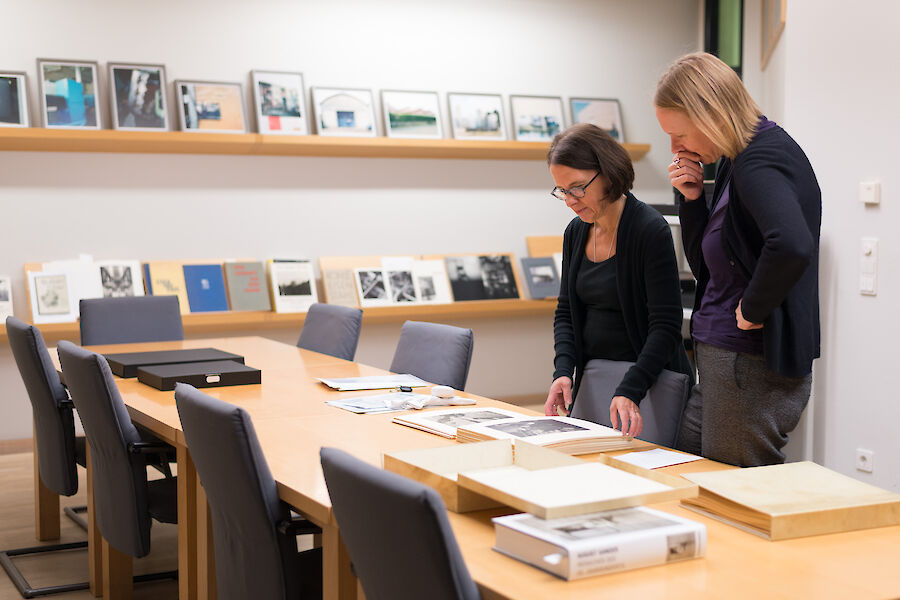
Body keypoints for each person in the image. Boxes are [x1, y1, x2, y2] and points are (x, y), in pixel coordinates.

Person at [654, 52, 821, 467]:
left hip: (745, 359)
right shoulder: (736, 158)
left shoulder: (759, 159)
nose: (674, 149)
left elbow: (792, 244)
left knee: (735, 490)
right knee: (691, 475)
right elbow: (709, 268)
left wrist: (751, 308)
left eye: (679, 135)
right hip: (721, 356)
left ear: (710, 113)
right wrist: (693, 201)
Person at [545, 124, 693, 437]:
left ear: (608, 174)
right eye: (562, 191)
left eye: (578, 188)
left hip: (648, 385)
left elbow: (666, 326)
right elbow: (566, 312)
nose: (570, 200)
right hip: (596, 381)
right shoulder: (575, 232)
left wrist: (630, 388)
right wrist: (563, 370)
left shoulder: (649, 230)